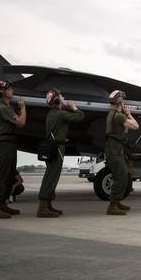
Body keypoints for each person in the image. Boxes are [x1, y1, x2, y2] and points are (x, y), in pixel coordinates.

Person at [37, 88, 84, 218]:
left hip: (53, 147)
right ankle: (43, 207)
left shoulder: (52, 113)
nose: (64, 98)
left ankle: (47, 205)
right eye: (61, 96)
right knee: (51, 177)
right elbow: (80, 117)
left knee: (52, 175)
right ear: (57, 100)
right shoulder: (60, 114)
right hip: (57, 148)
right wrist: (74, 107)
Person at [0, 80, 26, 219]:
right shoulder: (3, 107)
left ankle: (2, 204)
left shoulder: (7, 107)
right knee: (1, 174)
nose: (11, 90)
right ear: (1, 92)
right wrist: (22, 107)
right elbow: (21, 122)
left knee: (9, 175)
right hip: (3, 143)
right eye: (8, 89)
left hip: (9, 143)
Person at [105, 90, 139, 215]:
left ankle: (117, 202)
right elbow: (135, 126)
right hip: (115, 149)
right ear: (120, 101)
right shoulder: (119, 116)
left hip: (115, 148)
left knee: (122, 175)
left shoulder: (112, 114)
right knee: (121, 176)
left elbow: (124, 131)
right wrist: (129, 114)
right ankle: (112, 206)